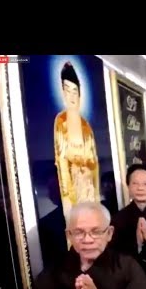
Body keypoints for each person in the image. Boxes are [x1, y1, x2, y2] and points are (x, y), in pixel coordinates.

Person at [54, 61, 100, 221]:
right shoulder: (61, 121)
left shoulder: (86, 126)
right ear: (62, 92)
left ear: (79, 93)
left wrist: (96, 194)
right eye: (67, 90)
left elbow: (94, 164)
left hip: (89, 189)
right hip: (72, 190)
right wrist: (67, 197)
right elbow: (61, 161)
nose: (72, 96)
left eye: (75, 91)